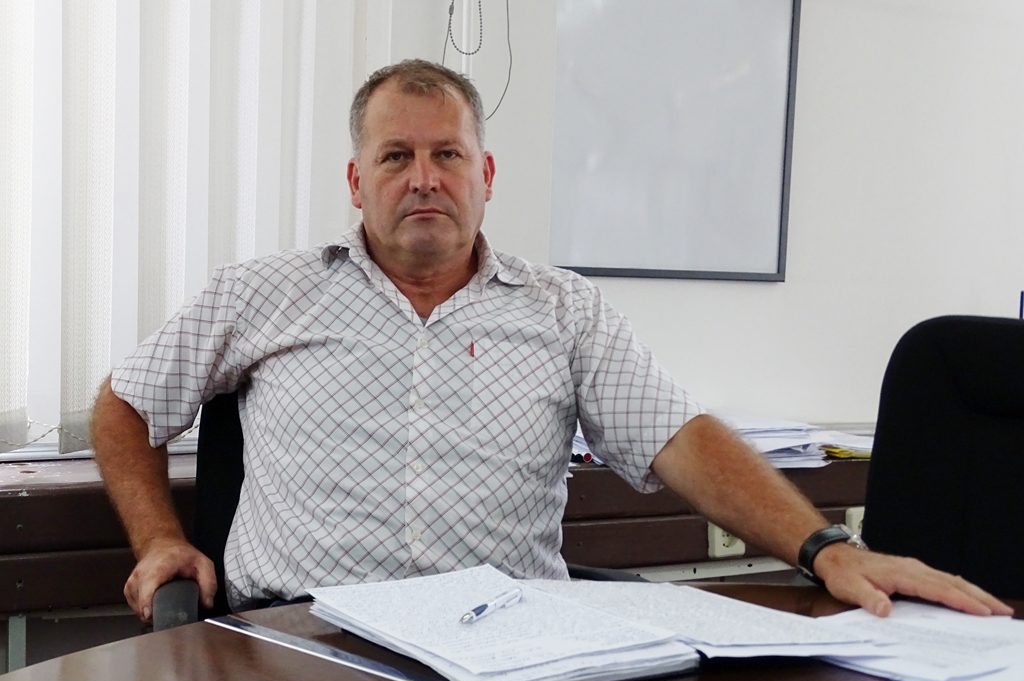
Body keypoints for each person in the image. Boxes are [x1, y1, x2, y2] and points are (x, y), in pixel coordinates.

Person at [91, 59, 1011, 624]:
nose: (424, 178)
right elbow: (125, 403)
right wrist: (159, 541)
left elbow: (680, 439)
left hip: (507, 645)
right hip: (298, 638)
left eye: (448, 154)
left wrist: (826, 548)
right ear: (356, 180)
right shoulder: (266, 293)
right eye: (396, 156)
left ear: (486, 173)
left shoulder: (562, 310)